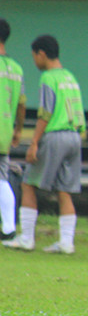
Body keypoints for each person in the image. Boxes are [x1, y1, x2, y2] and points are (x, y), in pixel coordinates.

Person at [3, 35, 85, 254]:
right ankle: (67, 243)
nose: (34, 61)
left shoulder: (49, 78)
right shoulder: (70, 77)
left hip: (55, 135)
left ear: (41, 54)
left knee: (28, 183)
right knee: (64, 189)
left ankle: (26, 238)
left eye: (34, 56)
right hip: (74, 136)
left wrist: (34, 142)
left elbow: (45, 113)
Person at [0, 18, 26, 241]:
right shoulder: (16, 69)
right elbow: (21, 103)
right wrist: (18, 130)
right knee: (1, 178)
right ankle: (8, 228)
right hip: (5, 131)